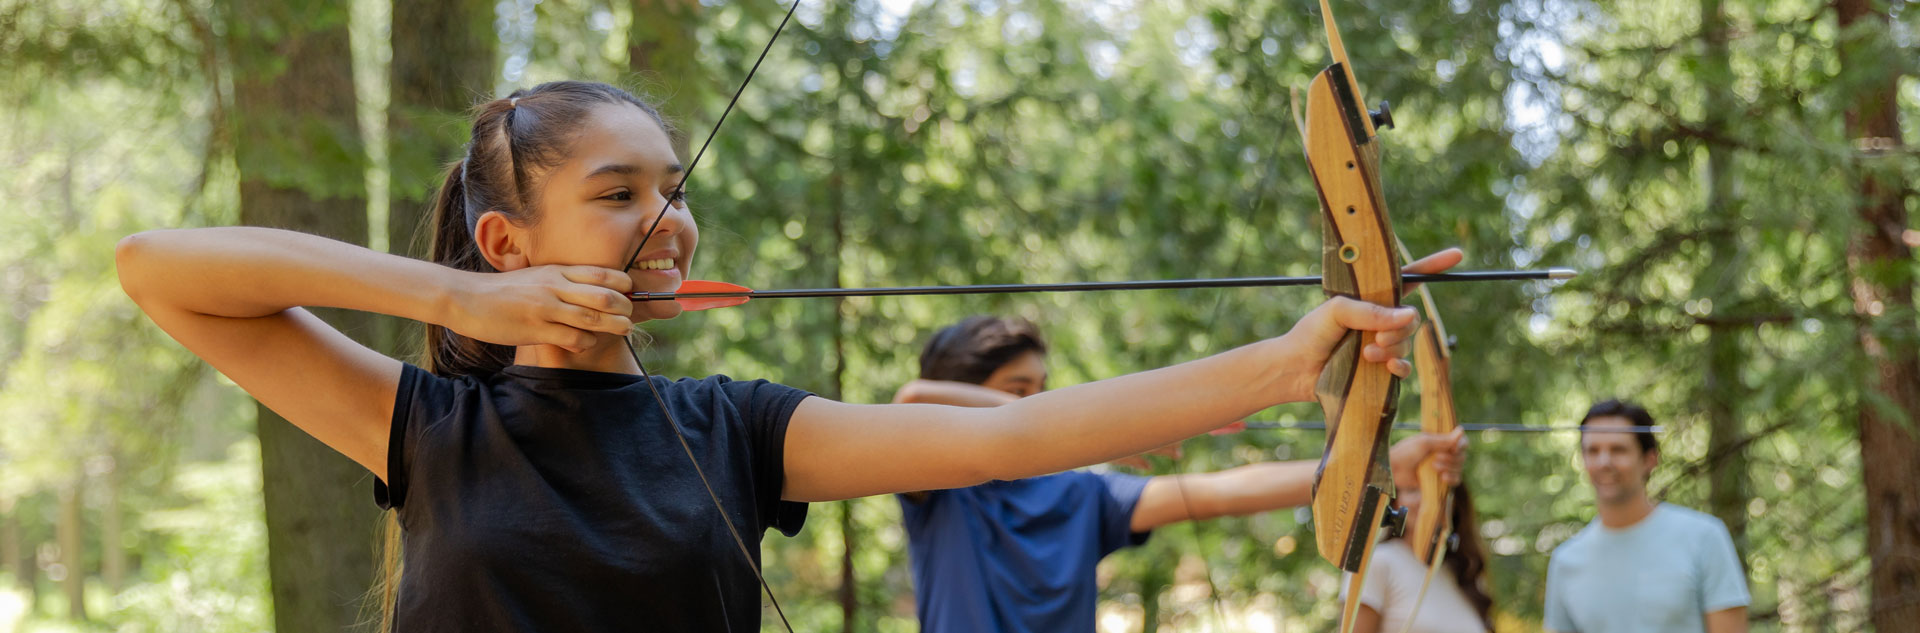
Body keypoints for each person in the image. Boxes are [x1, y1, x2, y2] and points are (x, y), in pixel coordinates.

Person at [114, 80, 1463, 632]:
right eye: (619, 192)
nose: (666, 218)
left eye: (672, 187)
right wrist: (476, 304)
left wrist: (1295, 361)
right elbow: (159, 271)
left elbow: (1001, 441)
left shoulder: (737, 429)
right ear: (506, 235)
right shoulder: (425, 425)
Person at [892, 315, 1469, 633]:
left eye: (1041, 392)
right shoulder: (940, 487)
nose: (1038, 404)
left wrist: (1380, 464)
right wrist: (1107, 427)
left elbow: (1219, 492)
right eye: (1019, 393)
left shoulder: (1082, 493)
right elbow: (914, 402)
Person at [1543, 400, 1749, 633]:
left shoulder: (1704, 538)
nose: (1604, 462)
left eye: (1618, 450)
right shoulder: (1565, 561)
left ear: (1649, 460)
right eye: (1593, 450)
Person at [1342, 484, 1493, 633]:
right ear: (1396, 501)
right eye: (1412, 489)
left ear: (1454, 503)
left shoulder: (1461, 573)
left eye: (1435, 489)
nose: (1426, 499)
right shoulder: (1378, 562)